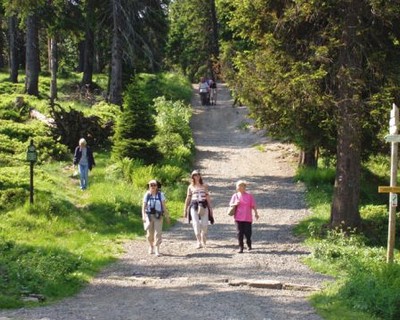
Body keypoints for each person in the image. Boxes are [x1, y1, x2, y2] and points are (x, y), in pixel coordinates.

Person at [183, 170, 214, 248]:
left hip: (203, 205)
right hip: (194, 205)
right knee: (195, 223)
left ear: (200, 176)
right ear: (192, 177)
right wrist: (185, 209)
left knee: (204, 224)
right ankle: (198, 241)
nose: (196, 176)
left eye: (198, 175)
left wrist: (210, 208)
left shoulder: (204, 185)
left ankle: (203, 236)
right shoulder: (190, 187)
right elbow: (188, 197)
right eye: (194, 175)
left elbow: (207, 196)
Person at [229, 180, 259, 253]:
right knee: (239, 233)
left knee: (248, 233)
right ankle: (241, 247)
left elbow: (253, 205)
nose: (240, 187)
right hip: (238, 218)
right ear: (237, 187)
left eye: (242, 185)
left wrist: (256, 213)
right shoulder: (235, 195)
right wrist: (235, 203)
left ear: (245, 187)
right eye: (239, 186)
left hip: (247, 218)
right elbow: (230, 204)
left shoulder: (249, 196)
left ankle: (249, 244)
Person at [142, 180, 170, 256]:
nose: (153, 187)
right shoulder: (147, 195)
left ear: (157, 186)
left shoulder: (161, 195)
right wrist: (143, 216)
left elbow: (164, 207)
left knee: (158, 233)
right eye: (151, 185)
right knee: (149, 235)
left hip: (158, 216)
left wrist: (167, 217)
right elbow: (143, 207)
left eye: (154, 185)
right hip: (149, 216)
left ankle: (157, 249)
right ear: (149, 186)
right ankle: (151, 246)